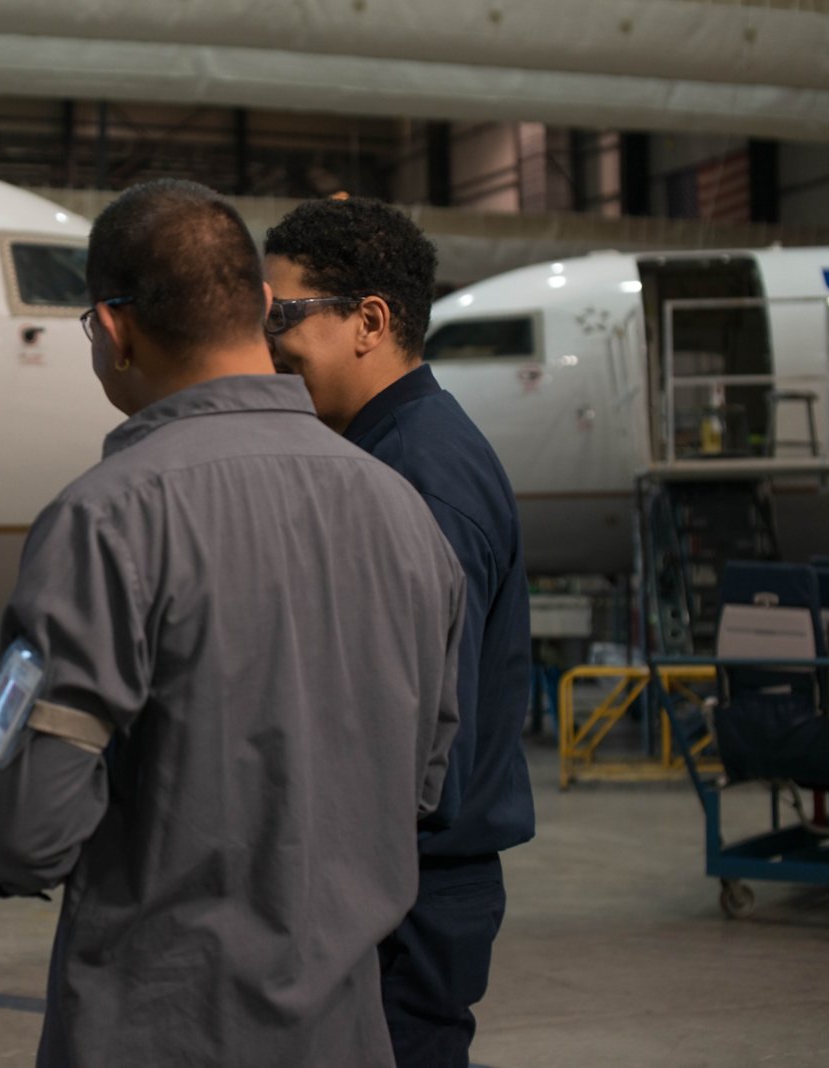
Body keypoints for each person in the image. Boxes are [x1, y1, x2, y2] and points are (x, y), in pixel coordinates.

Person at [0, 179, 466, 1067]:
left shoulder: (109, 519)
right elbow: (422, 783)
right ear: (260, 309)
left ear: (114, 329)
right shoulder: (405, 514)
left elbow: (27, 826)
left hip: (163, 1030)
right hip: (348, 1032)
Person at [264, 196, 537, 1068]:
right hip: (391, 885)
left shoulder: (420, 478)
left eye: (285, 316)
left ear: (369, 322)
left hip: (405, 896)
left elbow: (423, 744)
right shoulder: (385, 453)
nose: (266, 345)